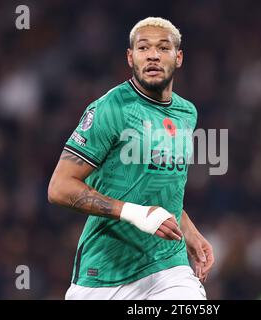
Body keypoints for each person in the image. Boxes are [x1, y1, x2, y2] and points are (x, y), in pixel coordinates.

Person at [48, 17, 214, 300]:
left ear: (179, 57)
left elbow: (161, 184)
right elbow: (59, 187)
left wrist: (188, 229)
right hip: (104, 273)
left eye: (163, 48)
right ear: (130, 57)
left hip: (168, 268)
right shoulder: (110, 108)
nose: (152, 55)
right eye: (143, 48)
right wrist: (135, 213)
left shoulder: (187, 113)